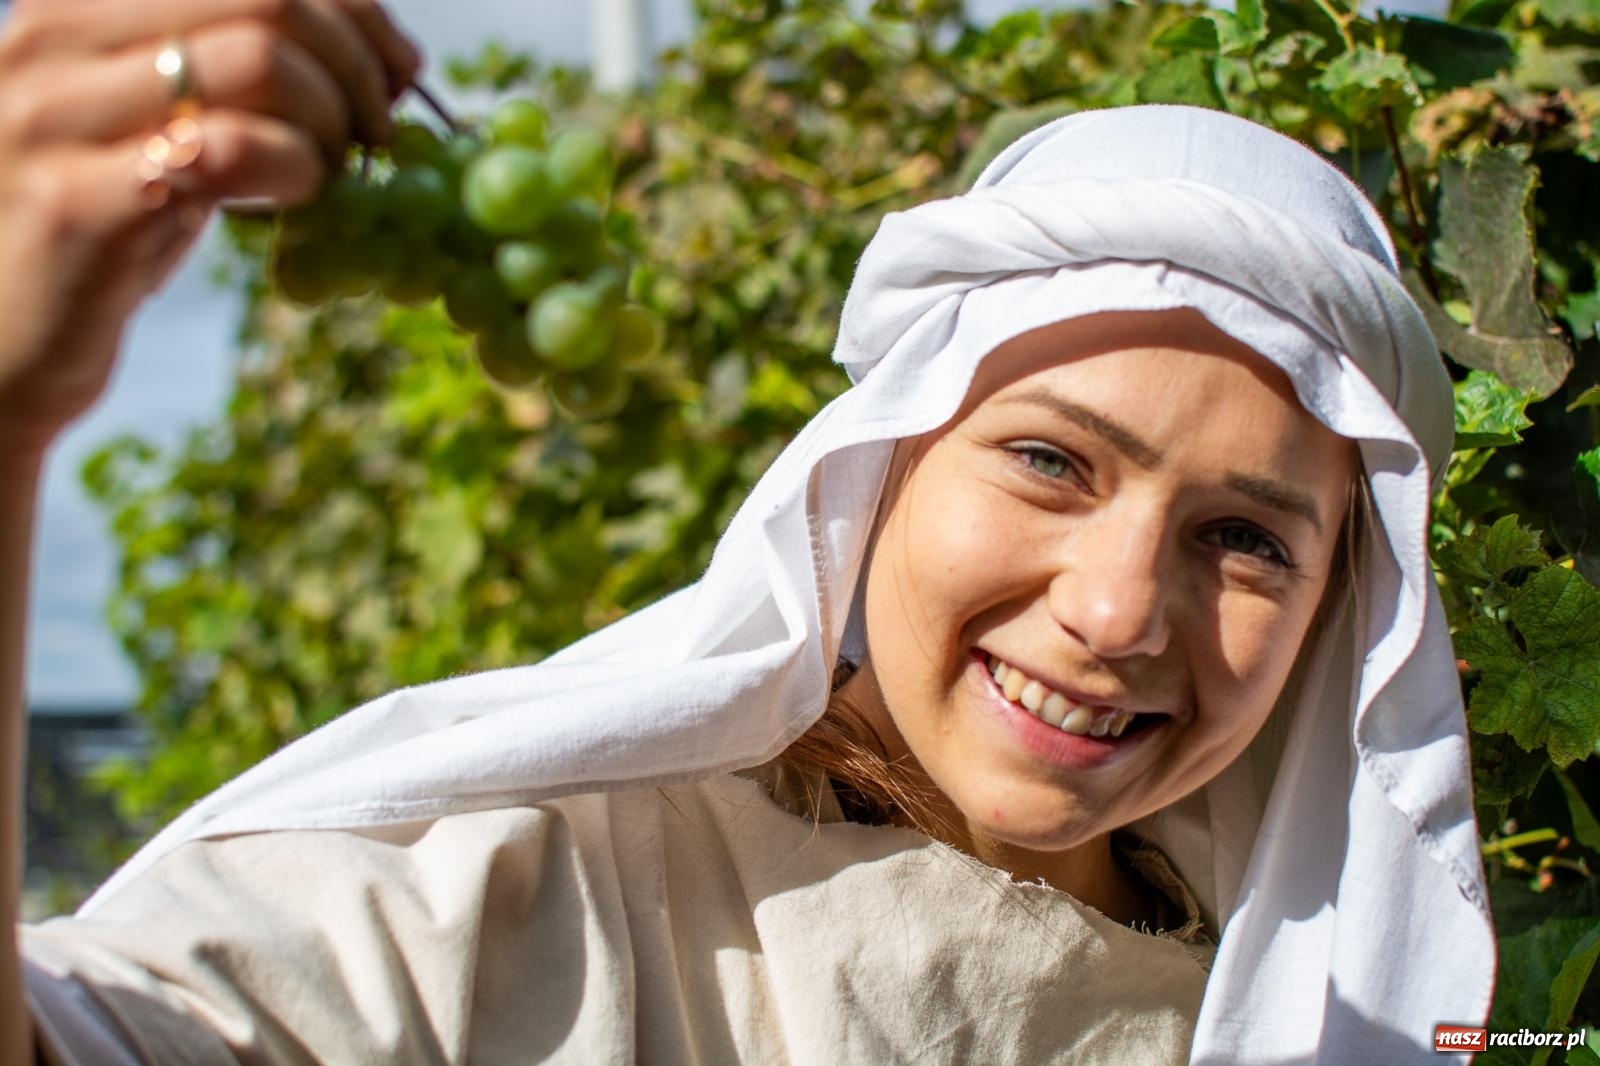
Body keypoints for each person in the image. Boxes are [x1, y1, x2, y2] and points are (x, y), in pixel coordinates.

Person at [0, 5, 1494, 1063]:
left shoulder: (1300, 1010)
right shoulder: (539, 901)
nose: (1117, 610)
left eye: (1246, 540)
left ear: (1336, 613)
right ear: (882, 460)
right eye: (1049, 459)